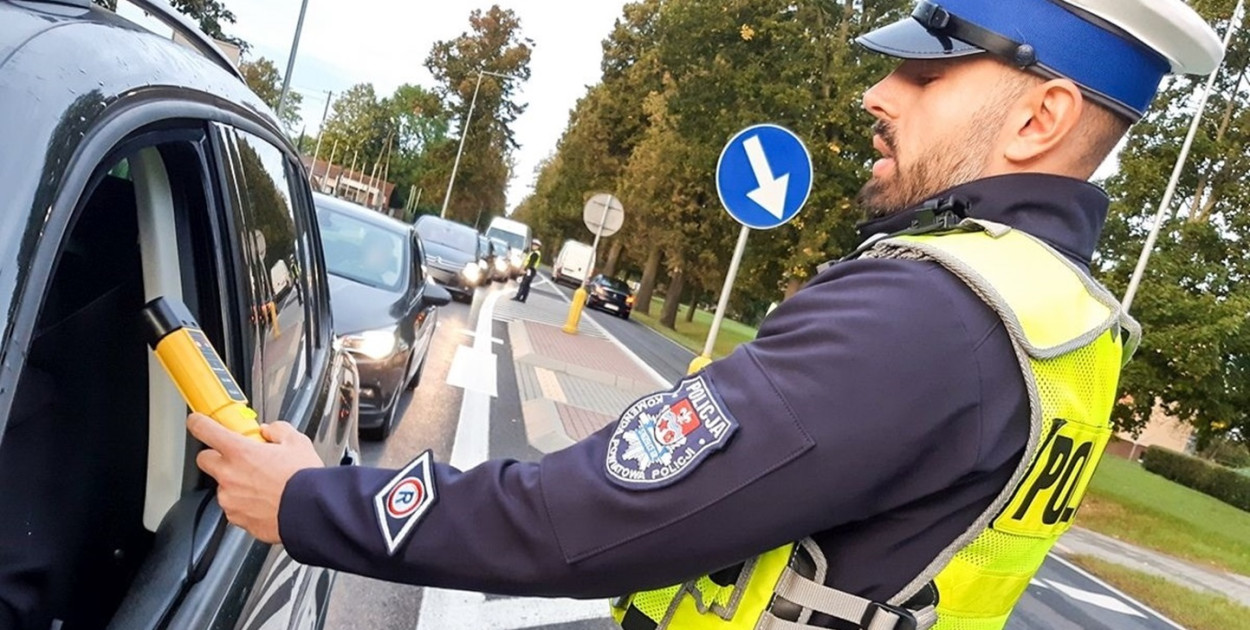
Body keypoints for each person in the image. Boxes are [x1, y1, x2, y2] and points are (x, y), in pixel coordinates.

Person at [186, 1, 1224, 628]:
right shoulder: (1057, 320)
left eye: (924, 73)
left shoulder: (926, 316)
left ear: (1039, 117)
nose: (879, 95)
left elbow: (591, 515)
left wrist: (314, 502)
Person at [511, 238, 542, 303]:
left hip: (530, 270)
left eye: (536, 245)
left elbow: (531, 262)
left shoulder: (535, 254)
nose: (534, 246)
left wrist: (525, 270)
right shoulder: (535, 253)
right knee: (527, 285)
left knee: (523, 283)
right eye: (533, 245)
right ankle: (523, 298)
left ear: (538, 247)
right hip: (531, 270)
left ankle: (518, 296)